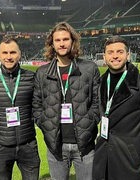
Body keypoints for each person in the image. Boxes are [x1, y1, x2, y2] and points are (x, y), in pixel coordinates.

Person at [93, 35, 140, 180]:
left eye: (120, 52)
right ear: (104, 56)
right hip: (104, 160)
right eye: (110, 52)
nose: (115, 56)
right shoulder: (100, 83)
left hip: (132, 163)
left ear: (128, 55)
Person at [32, 22, 100, 180]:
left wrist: (89, 124)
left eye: (65, 39)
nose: (62, 43)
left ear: (73, 41)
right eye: (57, 40)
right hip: (56, 146)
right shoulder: (42, 72)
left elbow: (97, 102)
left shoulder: (89, 68)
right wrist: (44, 123)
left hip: (84, 146)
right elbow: (36, 105)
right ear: (52, 44)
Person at [0, 36, 40, 180]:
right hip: (1, 147)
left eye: (12, 52)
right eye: (4, 53)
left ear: (19, 54)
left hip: (28, 145)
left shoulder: (32, 77)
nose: (9, 57)